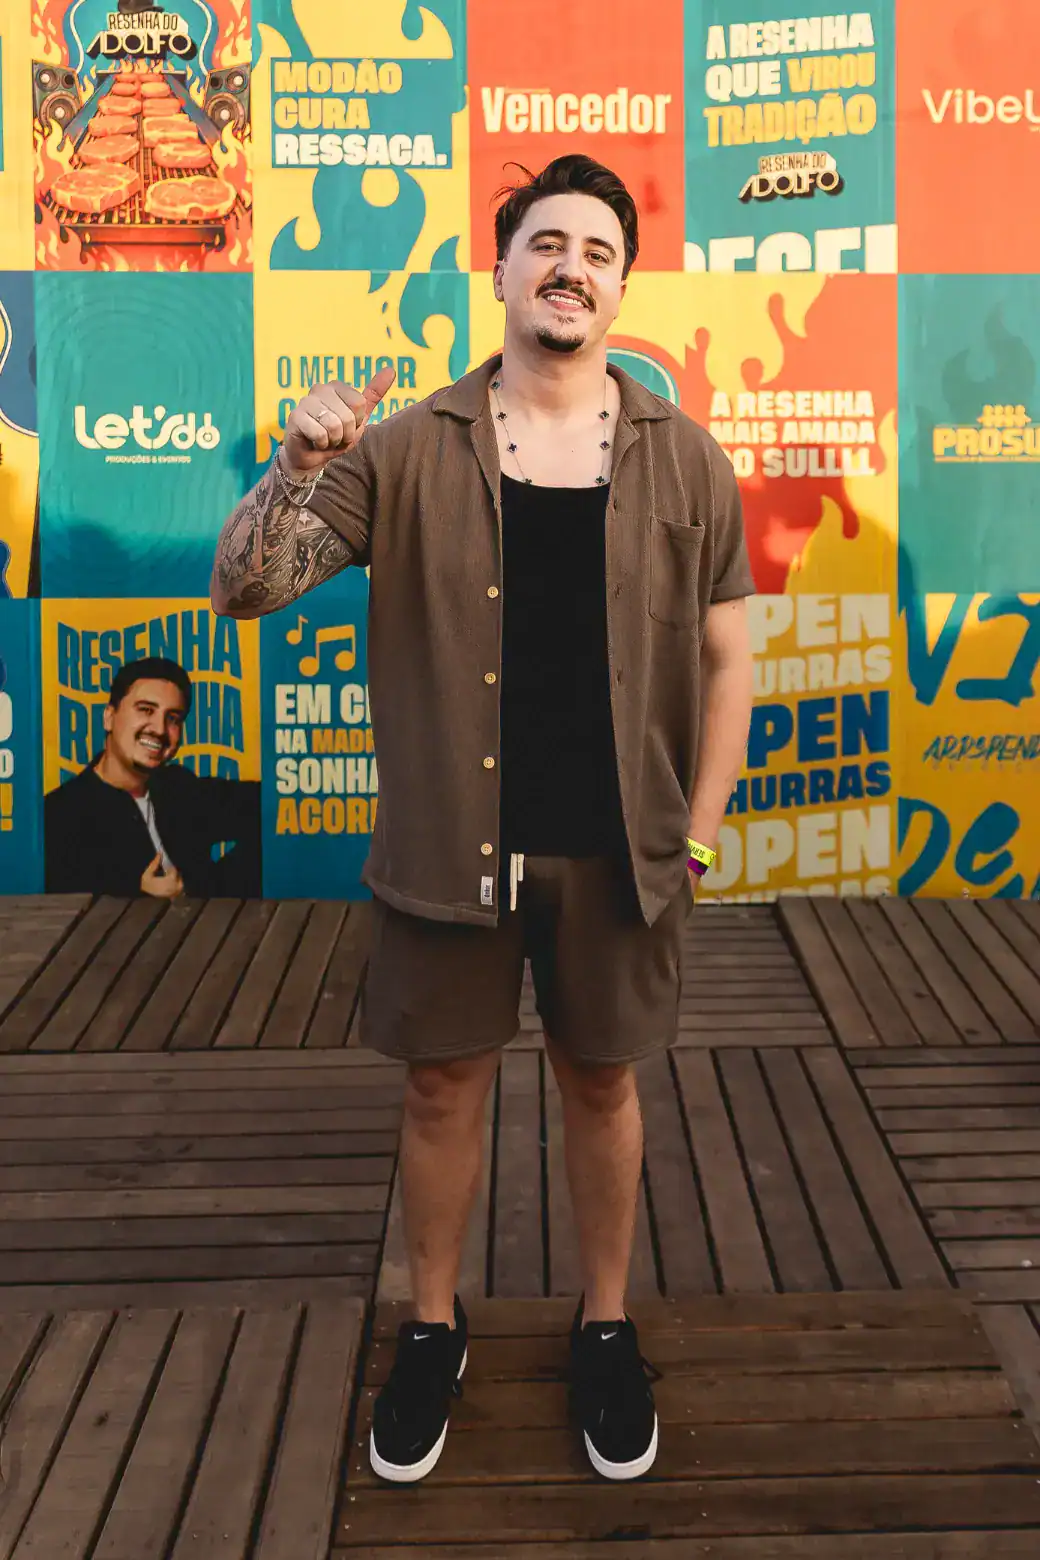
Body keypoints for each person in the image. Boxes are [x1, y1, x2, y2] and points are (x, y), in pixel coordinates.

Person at [211, 153, 755, 1485]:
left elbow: (730, 654)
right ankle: (432, 1327)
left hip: (618, 853)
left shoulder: (686, 457)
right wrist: (295, 466)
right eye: (546, 243)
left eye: (598, 251)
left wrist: (695, 830)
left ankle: (606, 1325)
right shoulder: (405, 447)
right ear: (501, 266)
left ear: (621, 287)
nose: (571, 267)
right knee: (441, 1086)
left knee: (603, 1084)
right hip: (450, 846)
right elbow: (244, 589)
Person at [44, 655, 260, 897]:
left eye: (173, 718)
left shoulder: (180, 787)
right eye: (146, 710)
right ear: (109, 717)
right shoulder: (59, 816)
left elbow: (276, 803)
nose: (159, 729)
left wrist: (210, 894)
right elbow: (59, 905)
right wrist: (137, 896)